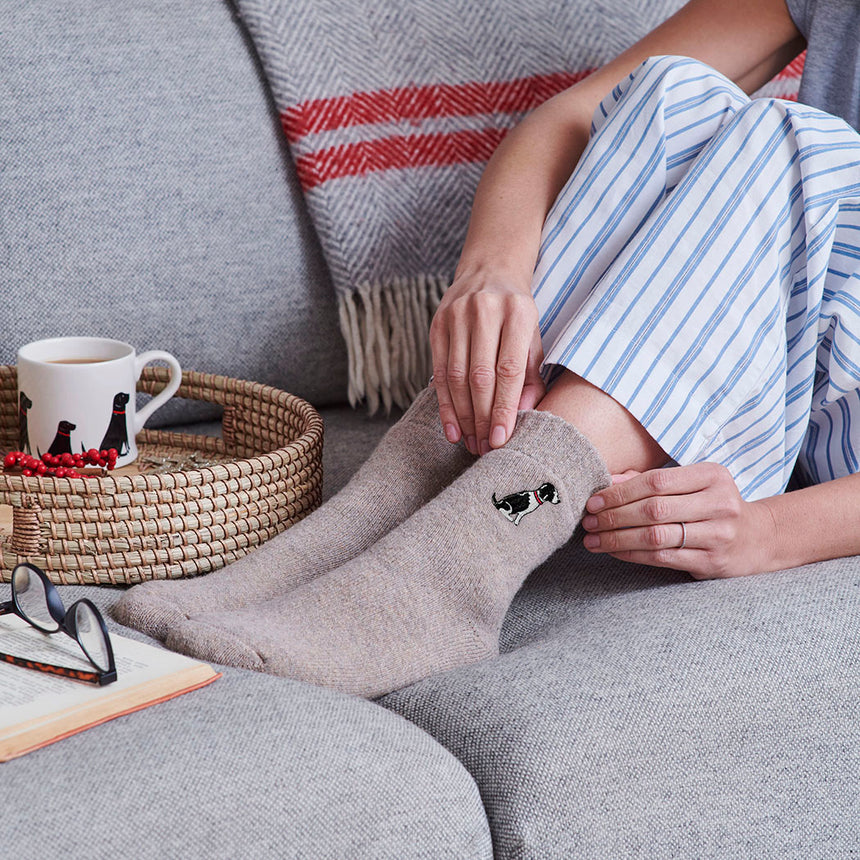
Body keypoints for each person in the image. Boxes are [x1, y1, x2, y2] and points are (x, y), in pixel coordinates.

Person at [115, 0, 860, 698]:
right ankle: (381, 511)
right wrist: (492, 270)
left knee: (790, 142)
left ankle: (467, 557)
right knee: (670, 94)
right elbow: (572, 114)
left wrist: (767, 535)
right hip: (787, 354)